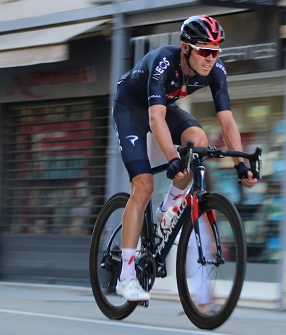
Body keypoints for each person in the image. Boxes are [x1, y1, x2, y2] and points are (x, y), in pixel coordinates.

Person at [112, 15, 259, 307]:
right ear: (185, 48)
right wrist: (171, 159)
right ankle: (126, 276)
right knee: (143, 185)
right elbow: (156, 119)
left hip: (163, 107)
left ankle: (170, 207)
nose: (210, 58)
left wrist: (240, 165)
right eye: (204, 50)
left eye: (215, 51)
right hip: (131, 109)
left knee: (199, 141)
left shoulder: (215, 70)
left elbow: (227, 122)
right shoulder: (163, 62)